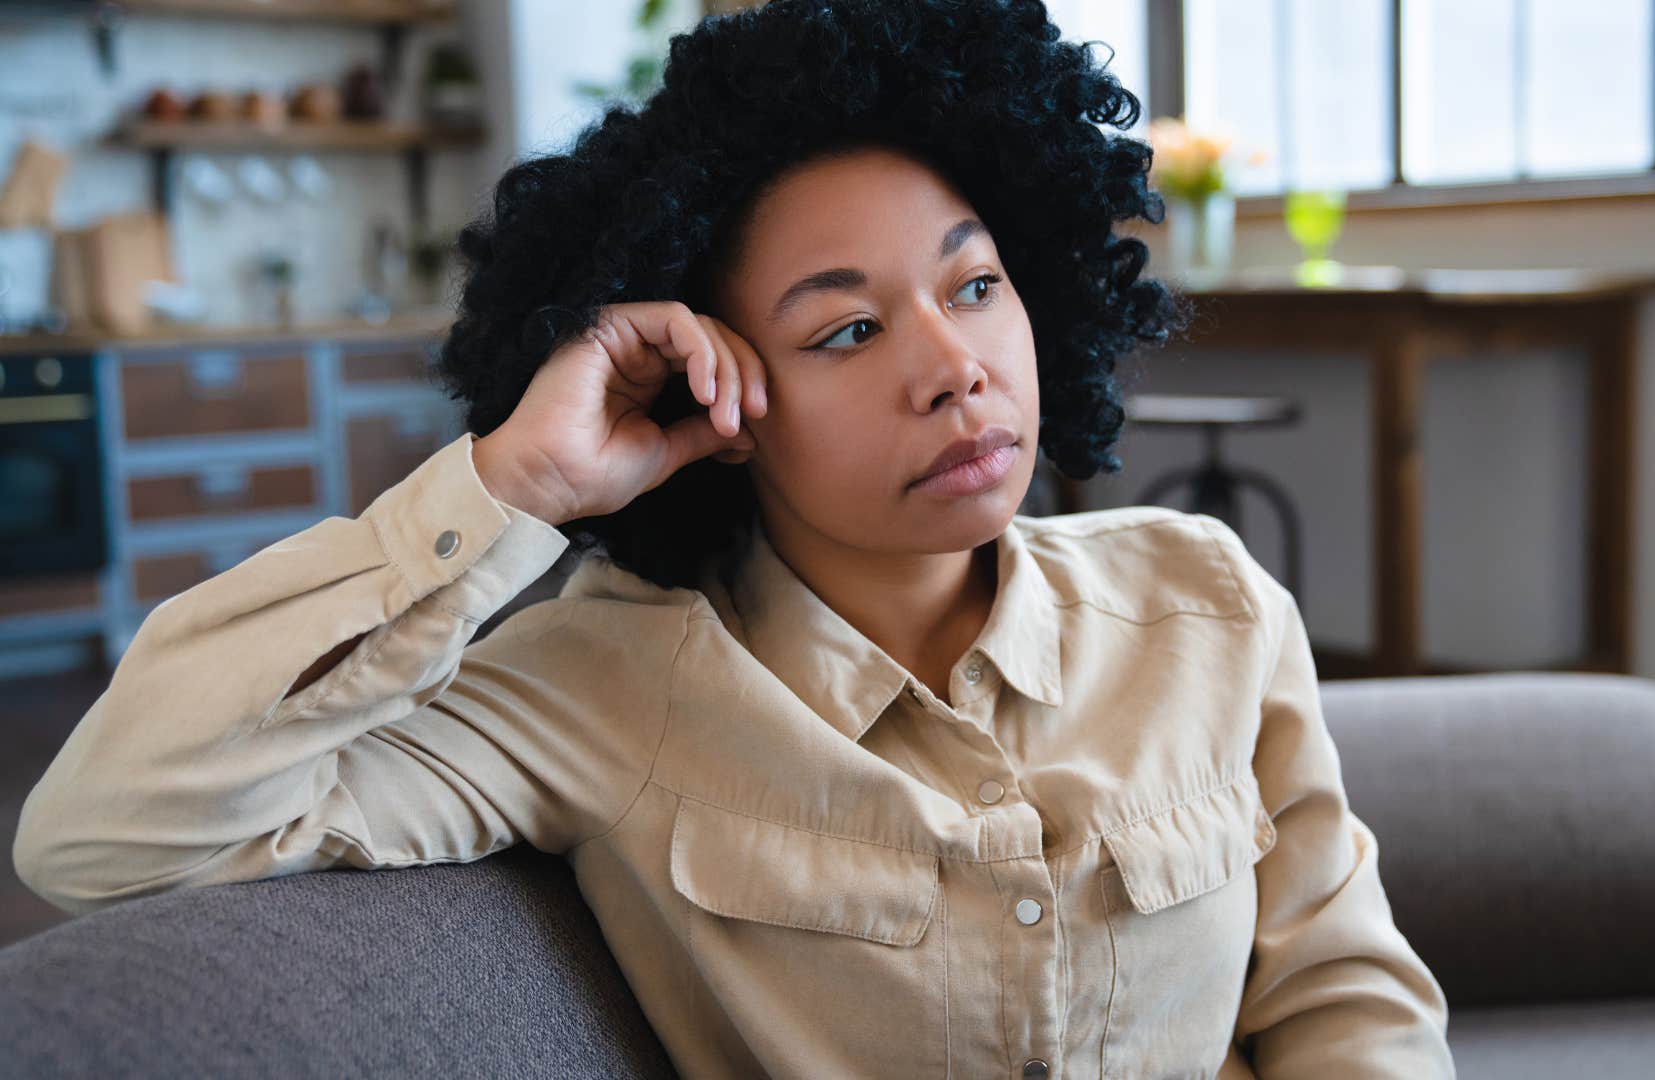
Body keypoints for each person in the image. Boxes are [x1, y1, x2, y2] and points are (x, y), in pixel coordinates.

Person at [12, 1, 1454, 1076]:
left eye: (977, 284)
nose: (954, 365)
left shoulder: (1203, 602)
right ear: (724, 395)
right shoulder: (611, 687)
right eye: (846, 328)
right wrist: (511, 486)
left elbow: (1341, 997)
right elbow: (105, 830)